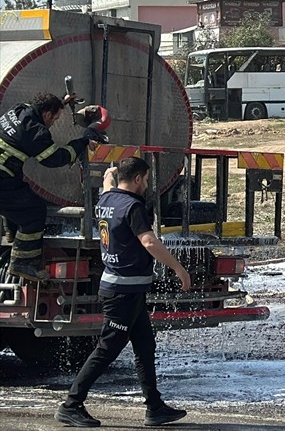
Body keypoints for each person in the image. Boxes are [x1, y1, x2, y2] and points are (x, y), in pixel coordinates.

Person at [56, 157, 191, 428]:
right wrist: (179, 268)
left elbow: (107, 183)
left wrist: (110, 173)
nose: (148, 185)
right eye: (147, 179)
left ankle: (155, 407)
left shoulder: (106, 200)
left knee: (145, 347)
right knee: (107, 349)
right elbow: (149, 241)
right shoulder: (133, 207)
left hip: (129, 289)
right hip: (122, 292)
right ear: (139, 178)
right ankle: (71, 405)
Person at [0, 92, 99, 282]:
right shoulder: (36, 131)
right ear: (46, 114)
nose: (53, 123)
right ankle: (23, 263)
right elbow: (55, 159)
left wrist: (61, 102)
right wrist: (82, 142)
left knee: (20, 194)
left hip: (7, 179)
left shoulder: (19, 110)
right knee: (34, 212)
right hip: (3, 180)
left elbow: (42, 105)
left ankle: (11, 231)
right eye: (54, 118)